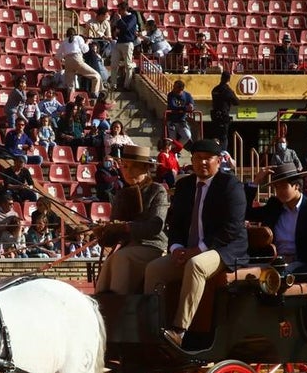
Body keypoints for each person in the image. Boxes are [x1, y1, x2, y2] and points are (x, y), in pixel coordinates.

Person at [144, 138, 248, 350]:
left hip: (223, 250)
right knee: (154, 269)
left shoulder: (231, 185)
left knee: (197, 265)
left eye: (207, 159)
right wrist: (176, 248)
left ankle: (179, 331)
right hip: (188, 250)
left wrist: (196, 250)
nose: (202, 163)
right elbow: (176, 223)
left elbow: (232, 228)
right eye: (197, 158)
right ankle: (152, 328)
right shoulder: (184, 185)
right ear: (191, 160)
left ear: (218, 161)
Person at [94, 145, 169, 295]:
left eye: (134, 167)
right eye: (125, 166)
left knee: (121, 258)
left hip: (153, 246)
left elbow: (155, 226)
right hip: (128, 248)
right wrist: (102, 232)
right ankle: (105, 306)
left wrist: (126, 227)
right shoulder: (121, 195)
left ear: (145, 169)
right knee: (111, 261)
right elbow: (110, 240)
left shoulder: (157, 190)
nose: (128, 171)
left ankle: (121, 306)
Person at [249, 162, 307, 274]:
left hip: (301, 263)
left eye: (283, 186)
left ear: (296, 186)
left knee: (278, 273)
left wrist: (293, 259)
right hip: (273, 260)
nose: (279, 191)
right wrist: (256, 181)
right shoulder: (274, 206)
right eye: (276, 187)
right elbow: (245, 213)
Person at [56, 27, 101, 98]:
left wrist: (63, 59)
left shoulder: (64, 41)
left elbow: (57, 56)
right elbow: (85, 50)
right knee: (96, 76)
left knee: (71, 86)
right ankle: (94, 93)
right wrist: (87, 42)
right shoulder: (79, 38)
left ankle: (71, 101)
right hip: (77, 59)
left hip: (68, 61)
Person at [110, 0, 140, 90]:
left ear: (124, 10)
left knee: (128, 65)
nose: (118, 12)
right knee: (114, 63)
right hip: (119, 42)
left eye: (120, 10)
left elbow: (127, 28)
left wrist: (119, 20)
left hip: (127, 43)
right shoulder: (121, 19)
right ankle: (113, 85)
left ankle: (126, 85)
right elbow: (119, 30)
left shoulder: (132, 17)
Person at [209, 71, 239, 148]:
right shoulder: (227, 90)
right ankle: (222, 154)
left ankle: (215, 151)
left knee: (215, 136)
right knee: (223, 137)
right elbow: (236, 102)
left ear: (221, 78)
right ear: (229, 79)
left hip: (215, 116)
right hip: (223, 116)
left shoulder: (215, 89)